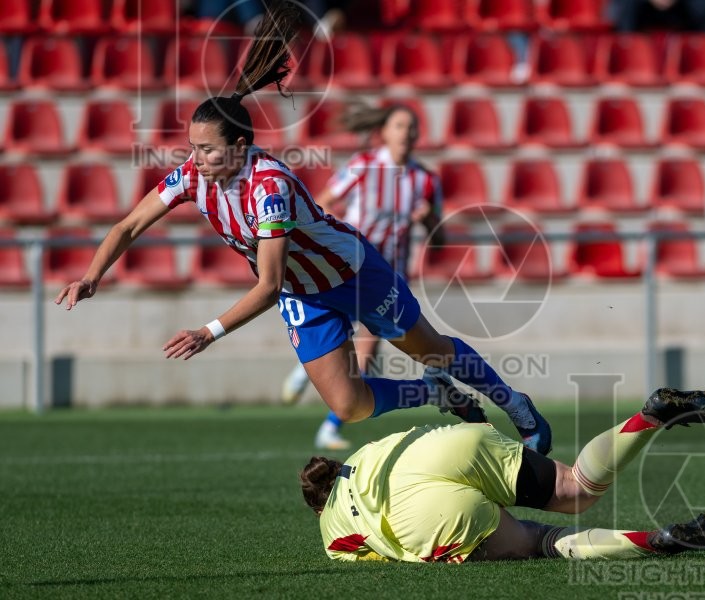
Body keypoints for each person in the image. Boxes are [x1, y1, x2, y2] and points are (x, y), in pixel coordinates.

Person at [54, 0, 552, 456]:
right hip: (304, 292)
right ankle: (433, 393)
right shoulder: (191, 175)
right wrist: (93, 275)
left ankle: (516, 406)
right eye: (191, 146)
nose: (195, 159)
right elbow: (127, 226)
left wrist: (208, 332)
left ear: (241, 147)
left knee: (434, 351)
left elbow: (268, 285)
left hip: (353, 276)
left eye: (206, 149)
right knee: (350, 404)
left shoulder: (268, 187)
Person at [300, 388, 705, 563]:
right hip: (450, 445)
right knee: (576, 487)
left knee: (542, 541)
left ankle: (654, 541)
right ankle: (650, 416)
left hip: (424, 511)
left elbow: (371, 556)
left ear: (321, 504)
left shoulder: (330, 530)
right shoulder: (363, 454)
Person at [282, 102, 444, 450]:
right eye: (400, 125)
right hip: (346, 268)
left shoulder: (426, 180)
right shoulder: (363, 166)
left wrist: (429, 219)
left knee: (366, 351)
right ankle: (324, 412)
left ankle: (328, 418)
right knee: (358, 348)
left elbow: (441, 238)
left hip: (387, 278)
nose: (408, 132)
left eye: (413, 126)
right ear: (383, 132)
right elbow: (320, 204)